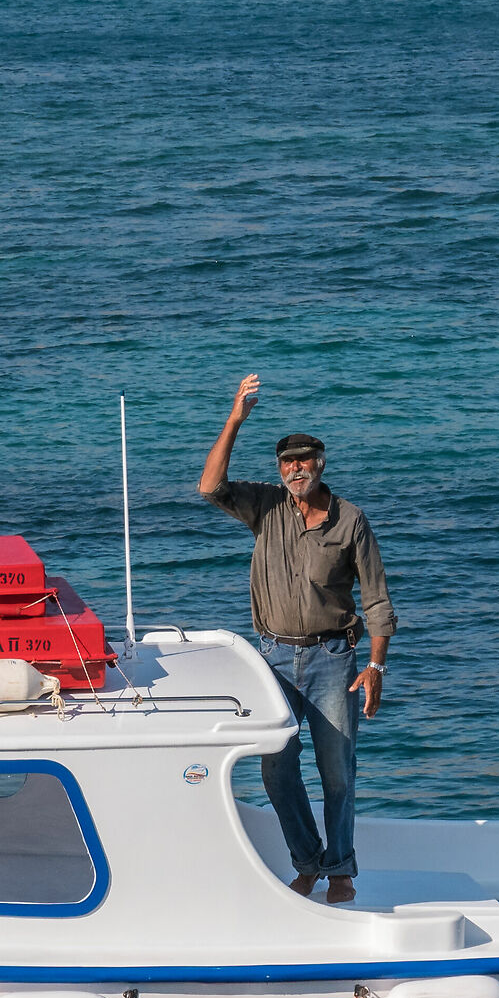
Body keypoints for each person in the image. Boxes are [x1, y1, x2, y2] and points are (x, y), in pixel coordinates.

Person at [198, 372, 396, 904]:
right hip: (273, 659)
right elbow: (209, 486)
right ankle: (306, 863)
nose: (295, 469)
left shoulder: (351, 522)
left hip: (334, 658)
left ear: (320, 463)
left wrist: (375, 667)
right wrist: (235, 418)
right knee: (277, 768)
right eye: (287, 462)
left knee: (337, 773)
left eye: (304, 460)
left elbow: (377, 600)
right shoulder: (265, 508)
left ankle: (341, 871)